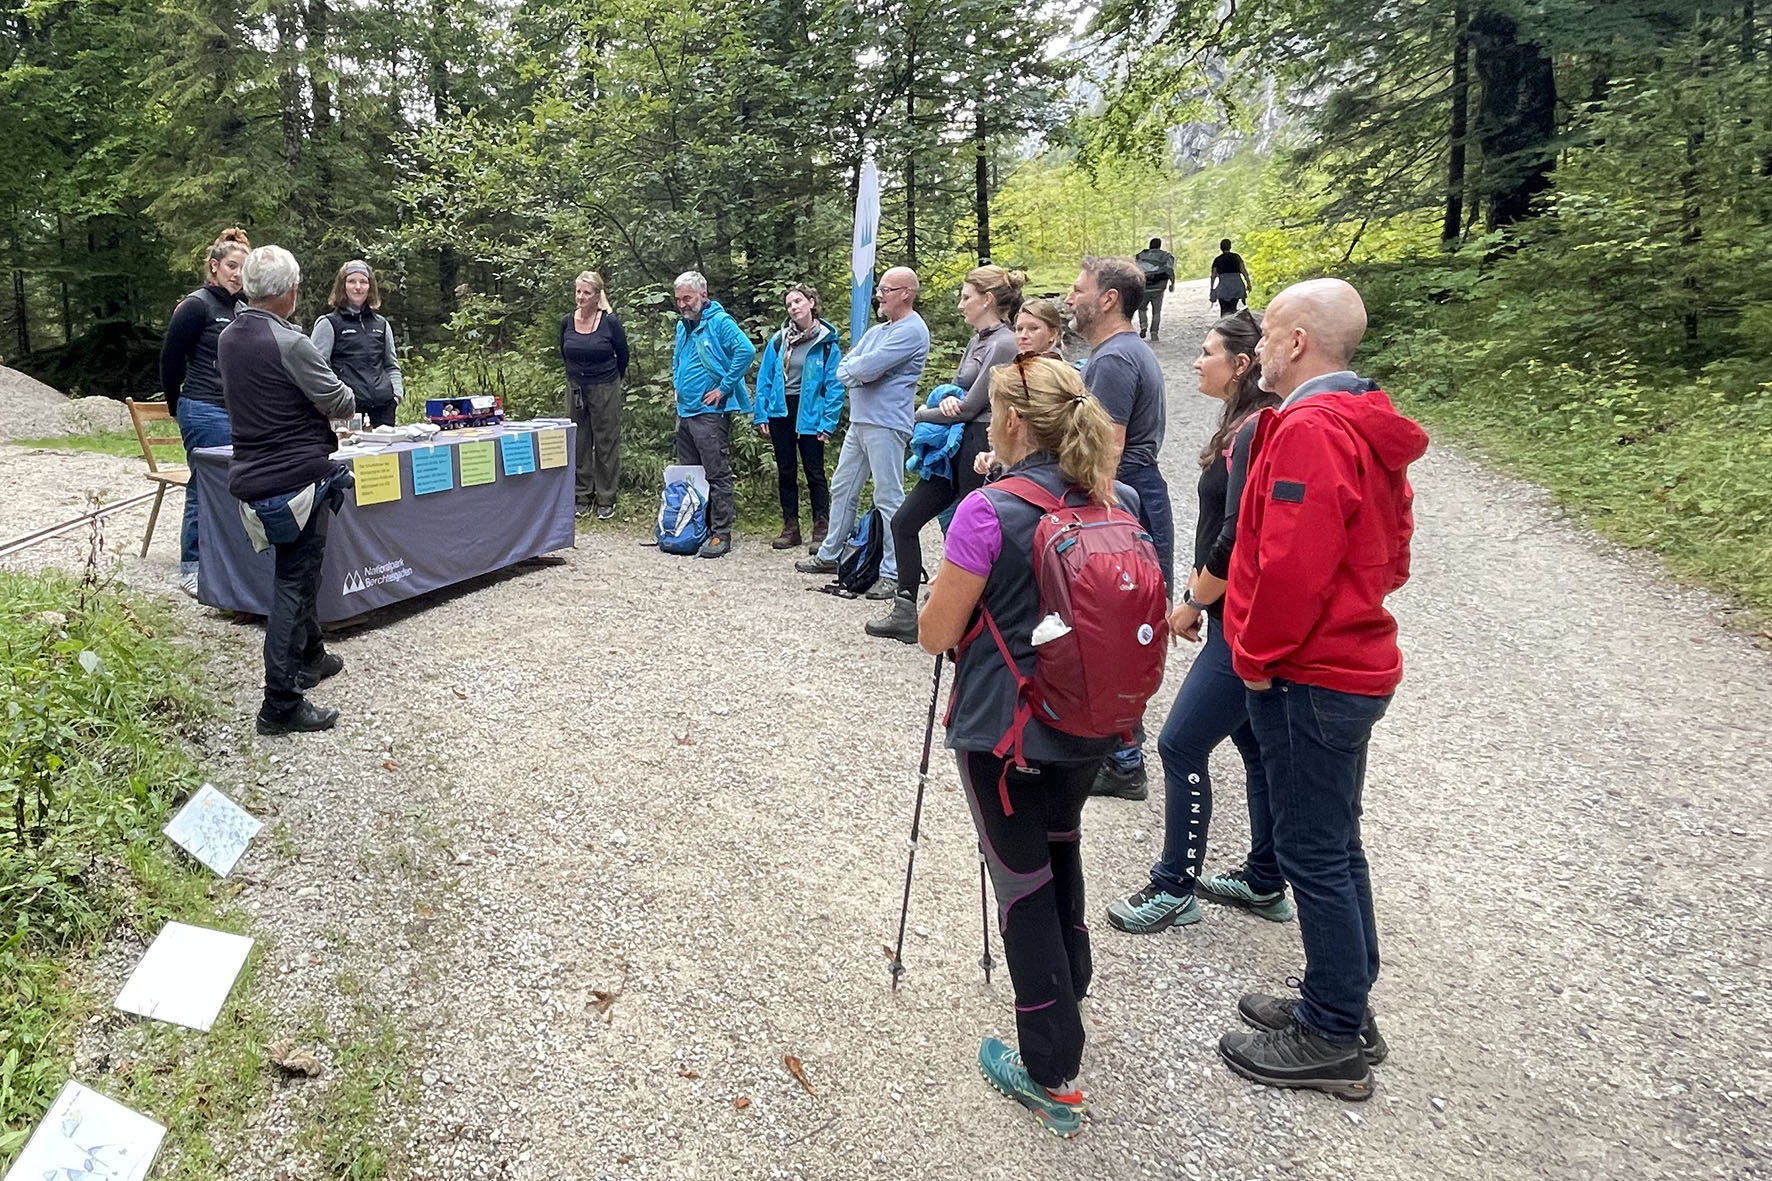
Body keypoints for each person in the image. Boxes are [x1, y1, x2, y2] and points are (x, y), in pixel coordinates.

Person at [1215, 278, 1427, 1100]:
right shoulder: (1363, 422)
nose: (1259, 346)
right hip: (1347, 664)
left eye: (1267, 332)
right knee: (1334, 842)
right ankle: (1344, 998)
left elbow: (1290, 568)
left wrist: (1258, 655)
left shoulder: (1309, 428)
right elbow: (1393, 553)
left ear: (1298, 341)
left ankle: (1332, 1031)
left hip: (1310, 674)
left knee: (1313, 851)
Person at [917, 354, 1133, 1140]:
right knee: (1060, 843)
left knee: (1020, 883)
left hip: (1001, 731)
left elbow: (937, 632)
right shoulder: (1122, 497)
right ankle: (1072, 978)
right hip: (1093, 723)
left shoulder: (987, 510)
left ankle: (1049, 1068)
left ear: (1010, 422)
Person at [1105, 310, 1292, 935]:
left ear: (1241, 365)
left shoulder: (1255, 430)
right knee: (1252, 745)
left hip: (1242, 619)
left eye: (1207, 351)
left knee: (1180, 742)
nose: (1196, 360)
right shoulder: (1243, 422)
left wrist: (1193, 600)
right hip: (1236, 612)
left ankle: (1174, 886)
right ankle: (1266, 880)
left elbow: (1237, 535)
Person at [217, 246, 357, 736]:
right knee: (292, 585)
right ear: (291, 291)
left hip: (256, 475)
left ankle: (311, 657)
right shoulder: (289, 342)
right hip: (295, 480)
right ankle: (280, 703)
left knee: (301, 572)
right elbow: (340, 400)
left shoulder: (230, 336)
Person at [865, 265, 1022, 642]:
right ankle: (906, 612)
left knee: (973, 534)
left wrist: (918, 413)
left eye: (966, 297)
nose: (960, 305)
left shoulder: (1003, 342)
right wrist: (945, 404)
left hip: (979, 444)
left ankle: (974, 620)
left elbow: (970, 406)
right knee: (905, 521)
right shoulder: (978, 339)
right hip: (955, 444)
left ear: (986, 300)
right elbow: (956, 394)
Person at [1066, 256, 1172, 801]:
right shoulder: (1120, 352)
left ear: (1108, 299)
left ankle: (1125, 759)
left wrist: (1093, 521)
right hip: (1135, 493)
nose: (1068, 298)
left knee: (1115, 620)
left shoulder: (1112, 359)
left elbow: (1106, 449)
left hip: (1124, 497)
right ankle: (1121, 748)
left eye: (1078, 289)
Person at [794, 266, 930, 590]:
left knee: (888, 497)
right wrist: (862, 372)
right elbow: (847, 367)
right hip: (861, 420)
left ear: (905, 293)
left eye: (885, 289)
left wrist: (863, 371)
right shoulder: (879, 331)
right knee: (842, 486)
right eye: (879, 289)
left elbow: (867, 368)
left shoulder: (912, 330)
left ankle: (892, 572)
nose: (879, 295)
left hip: (886, 423)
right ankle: (830, 554)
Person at [159, 226, 250, 597]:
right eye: (231, 266)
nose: (237, 274)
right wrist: (175, 406)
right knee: (203, 487)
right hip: (202, 408)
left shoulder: (243, 308)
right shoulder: (196, 305)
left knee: (237, 487)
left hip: (235, 412)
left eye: (243, 268)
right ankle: (192, 567)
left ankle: (231, 563)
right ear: (214, 266)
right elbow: (170, 359)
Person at [670, 271, 756, 558]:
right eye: (679, 299)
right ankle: (696, 527)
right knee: (692, 474)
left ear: (703, 296)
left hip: (710, 412)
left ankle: (721, 534)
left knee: (716, 473)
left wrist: (724, 387)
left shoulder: (719, 322)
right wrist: (676, 385)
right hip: (686, 410)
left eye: (688, 298)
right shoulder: (683, 326)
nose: (683, 304)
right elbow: (678, 359)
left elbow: (745, 351)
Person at [753, 284, 843, 549]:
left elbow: (834, 386)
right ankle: (790, 527)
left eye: (798, 301)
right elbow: (766, 378)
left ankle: (821, 527)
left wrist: (828, 422)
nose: (793, 307)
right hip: (781, 410)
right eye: (789, 304)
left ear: (811, 303)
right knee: (786, 471)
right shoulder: (780, 340)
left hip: (811, 413)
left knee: (814, 472)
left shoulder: (826, 343)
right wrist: (762, 414)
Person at [559, 271, 630, 520]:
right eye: (578, 291)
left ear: (597, 296)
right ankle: (581, 495)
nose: (581, 297)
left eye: (586, 293)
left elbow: (623, 355)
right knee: (578, 440)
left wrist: (612, 380)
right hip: (576, 387)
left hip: (605, 386)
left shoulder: (610, 322)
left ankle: (606, 497)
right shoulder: (567, 321)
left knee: (606, 441)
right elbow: (564, 352)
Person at [310, 260, 404, 431]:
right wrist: (338, 400)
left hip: (384, 409)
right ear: (342, 286)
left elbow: (391, 365)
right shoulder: (328, 323)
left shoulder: (381, 324)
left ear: (370, 287)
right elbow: (317, 370)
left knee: (386, 458)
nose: (358, 287)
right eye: (352, 281)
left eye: (363, 282)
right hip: (348, 412)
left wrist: (396, 396)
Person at [1134, 237, 1176, 343]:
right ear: (1159, 245)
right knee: (1156, 311)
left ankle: (1143, 326)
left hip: (1144, 286)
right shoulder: (1165, 256)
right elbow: (1169, 270)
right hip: (1158, 287)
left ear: (1150, 245)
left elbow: (1134, 270)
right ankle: (1154, 333)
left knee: (1142, 308)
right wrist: (1172, 283)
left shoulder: (1140, 255)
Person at [1210, 239, 1252, 317]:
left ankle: (1224, 325)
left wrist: (1212, 289)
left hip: (1224, 287)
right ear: (1230, 247)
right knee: (1233, 308)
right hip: (1236, 285)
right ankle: (1232, 325)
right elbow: (1244, 271)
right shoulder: (1236, 257)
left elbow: (1213, 276)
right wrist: (1248, 284)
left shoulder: (1217, 259)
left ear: (1220, 248)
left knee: (1224, 310)